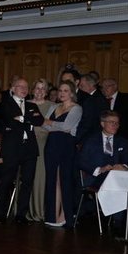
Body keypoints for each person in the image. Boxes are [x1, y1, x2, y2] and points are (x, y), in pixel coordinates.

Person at [0, 77, 45, 224]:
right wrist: (25, 120)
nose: (24, 89)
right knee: (6, 181)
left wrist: (21, 119)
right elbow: (8, 121)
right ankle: (0, 213)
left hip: (29, 148)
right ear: (13, 89)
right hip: (12, 148)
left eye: (26, 87)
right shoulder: (5, 103)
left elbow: (39, 120)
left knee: (27, 182)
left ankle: (21, 215)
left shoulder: (32, 105)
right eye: (20, 86)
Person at [42, 80, 82, 228]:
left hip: (66, 145)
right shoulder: (54, 106)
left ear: (72, 93)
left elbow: (67, 127)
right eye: (60, 90)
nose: (62, 93)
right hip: (51, 144)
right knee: (52, 180)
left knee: (64, 179)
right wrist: (52, 124)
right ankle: (52, 216)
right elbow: (44, 125)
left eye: (66, 90)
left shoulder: (77, 108)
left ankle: (65, 216)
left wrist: (50, 123)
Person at [27, 78, 55, 222]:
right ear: (33, 90)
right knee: (25, 178)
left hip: (43, 145)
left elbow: (53, 126)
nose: (40, 91)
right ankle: (23, 210)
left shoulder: (52, 106)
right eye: (37, 88)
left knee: (39, 178)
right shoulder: (25, 103)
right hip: (25, 144)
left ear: (47, 91)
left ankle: (38, 212)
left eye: (43, 88)